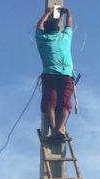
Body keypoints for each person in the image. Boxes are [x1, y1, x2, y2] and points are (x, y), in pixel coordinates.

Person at [35, 6, 75, 142]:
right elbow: (69, 24)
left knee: (49, 102)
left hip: (50, 74)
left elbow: (39, 26)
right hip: (66, 74)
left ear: (46, 30)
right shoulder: (65, 37)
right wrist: (67, 12)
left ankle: (54, 130)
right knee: (65, 103)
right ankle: (59, 129)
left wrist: (47, 13)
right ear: (58, 29)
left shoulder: (43, 39)